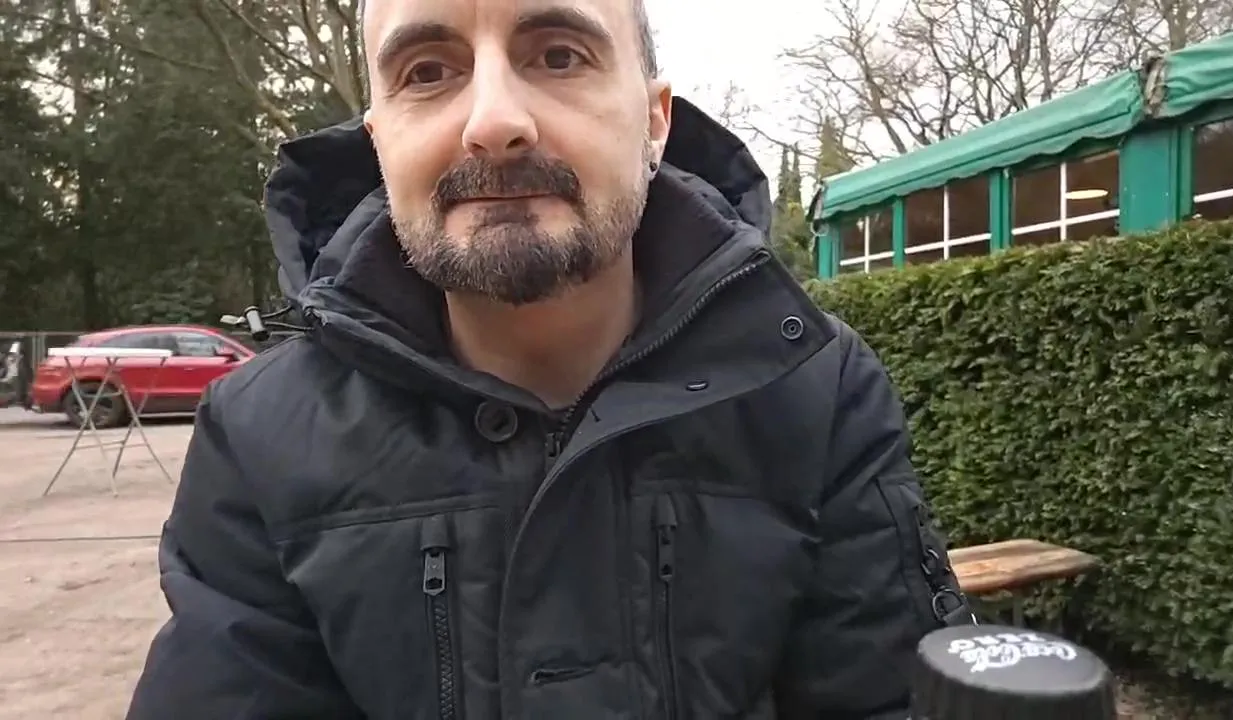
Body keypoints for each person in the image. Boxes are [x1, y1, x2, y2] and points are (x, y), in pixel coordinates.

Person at [125, 0, 972, 717]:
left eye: (558, 55)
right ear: (379, 141)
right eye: (427, 72)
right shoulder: (258, 435)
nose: (494, 122)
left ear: (655, 121)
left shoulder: (817, 389)